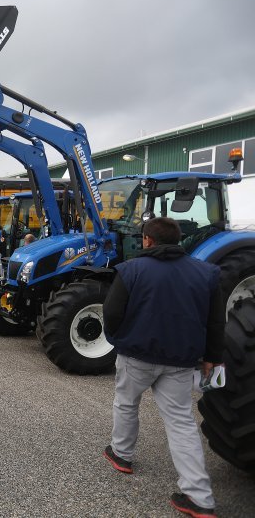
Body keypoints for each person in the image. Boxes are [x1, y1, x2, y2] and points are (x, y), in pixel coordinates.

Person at [102, 217, 224, 518]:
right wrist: (212, 356)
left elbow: (112, 311)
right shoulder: (206, 273)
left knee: (127, 403)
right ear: (178, 240)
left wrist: (119, 340)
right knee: (181, 422)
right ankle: (199, 497)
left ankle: (122, 455)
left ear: (147, 240)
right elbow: (215, 320)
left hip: (136, 356)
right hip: (181, 362)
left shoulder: (130, 270)